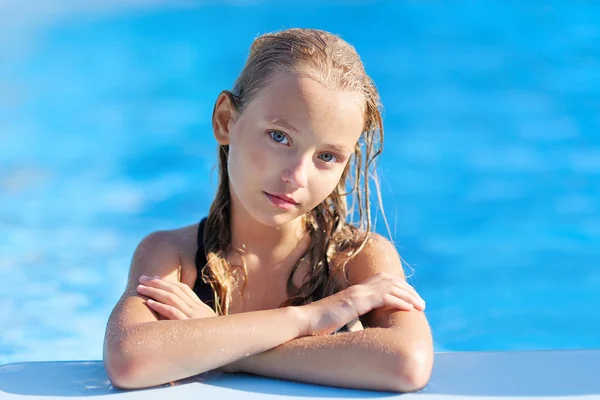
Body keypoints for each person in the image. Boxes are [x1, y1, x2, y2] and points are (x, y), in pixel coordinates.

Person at [103, 28, 433, 393]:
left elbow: (407, 364)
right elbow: (129, 360)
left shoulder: (355, 258)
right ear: (226, 121)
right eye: (280, 137)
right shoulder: (174, 256)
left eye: (326, 156)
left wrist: (224, 350)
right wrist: (307, 318)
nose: (296, 176)